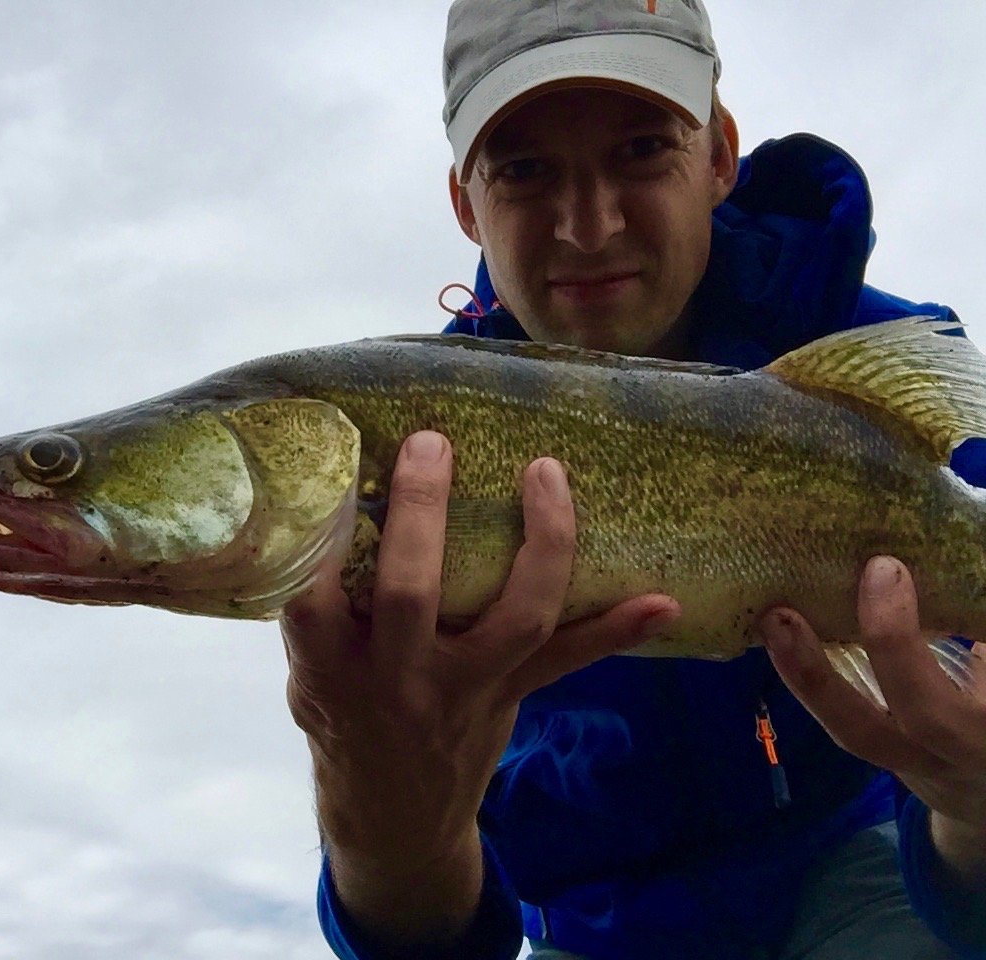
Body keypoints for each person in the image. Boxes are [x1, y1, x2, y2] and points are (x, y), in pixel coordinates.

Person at [280, 1, 986, 959]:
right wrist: (382, 828)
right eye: (525, 169)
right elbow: (432, 939)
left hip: (871, 865)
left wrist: (975, 808)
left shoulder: (866, 368)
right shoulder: (408, 465)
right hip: (597, 921)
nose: (589, 226)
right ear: (464, 202)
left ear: (720, 155)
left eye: (644, 148)